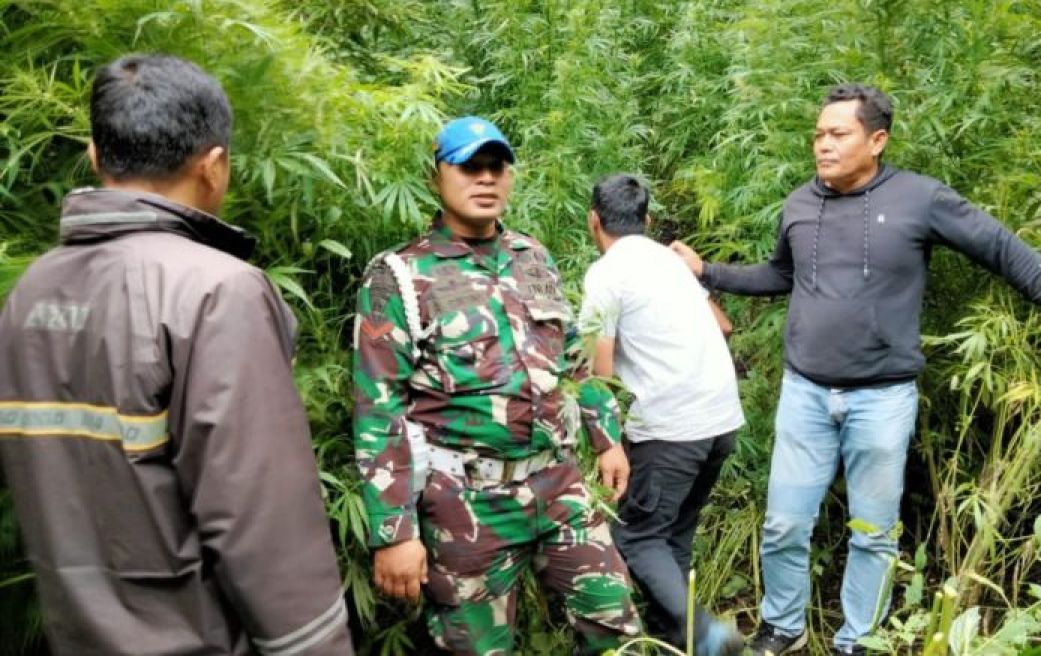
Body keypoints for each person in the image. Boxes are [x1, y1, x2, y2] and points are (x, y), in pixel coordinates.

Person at [670, 83, 1041, 656]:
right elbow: (780, 276)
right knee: (784, 523)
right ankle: (783, 629)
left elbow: (1003, 249)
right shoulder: (798, 204)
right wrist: (707, 271)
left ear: (877, 140)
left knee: (874, 533)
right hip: (805, 393)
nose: (822, 146)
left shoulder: (920, 199)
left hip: (882, 399)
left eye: (838, 134)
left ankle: (857, 641)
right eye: (817, 135)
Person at [0, 54, 353, 655]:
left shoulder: (31, 291)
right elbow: (260, 518)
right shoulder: (218, 292)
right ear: (214, 166)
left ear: (94, 154)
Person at [352, 116, 641, 655]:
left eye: (496, 166)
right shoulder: (400, 275)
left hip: (559, 487)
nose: (486, 179)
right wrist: (393, 532)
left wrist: (607, 436)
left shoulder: (533, 257)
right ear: (436, 176)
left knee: (616, 626)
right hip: (466, 503)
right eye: (469, 167)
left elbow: (572, 359)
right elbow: (378, 408)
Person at [578, 174, 745, 656]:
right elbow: (724, 325)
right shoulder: (670, 263)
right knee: (673, 540)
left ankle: (709, 638)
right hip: (721, 421)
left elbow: (599, 372)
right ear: (647, 221)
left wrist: (606, 441)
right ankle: (676, 641)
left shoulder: (606, 274)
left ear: (595, 221)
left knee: (637, 538)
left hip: (671, 428)